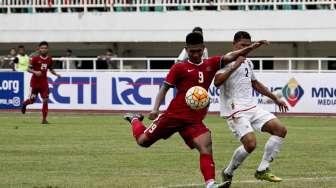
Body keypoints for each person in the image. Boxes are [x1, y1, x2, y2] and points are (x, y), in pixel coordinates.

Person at [123, 32, 268, 188]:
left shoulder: (211, 63)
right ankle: (134, 119)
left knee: (205, 145)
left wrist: (252, 47)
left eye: (199, 50)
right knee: (143, 141)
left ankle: (210, 183)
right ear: (186, 50)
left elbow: (232, 56)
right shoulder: (179, 67)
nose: (196, 54)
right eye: (192, 51)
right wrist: (155, 109)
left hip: (193, 120)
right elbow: (164, 88)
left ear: (203, 48)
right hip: (173, 116)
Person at [214, 31, 288, 187]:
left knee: (280, 129)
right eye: (243, 46)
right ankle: (228, 171)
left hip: (251, 106)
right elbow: (217, 82)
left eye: (248, 46)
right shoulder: (225, 60)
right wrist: (235, 65)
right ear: (234, 44)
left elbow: (255, 83)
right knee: (251, 144)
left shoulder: (248, 62)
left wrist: (275, 98)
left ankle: (263, 169)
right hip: (234, 109)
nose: (246, 49)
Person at [21, 41, 61, 124]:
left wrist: (56, 74)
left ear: (47, 49)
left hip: (44, 83)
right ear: (39, 49)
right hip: (35, 83)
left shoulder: (49, 59)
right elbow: (28, 69)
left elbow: (50, 68)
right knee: (32, 100)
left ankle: (44, 119)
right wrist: (35, 72)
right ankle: (25, 104)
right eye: (42, 48)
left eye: (45, 48)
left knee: (45, 100)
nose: (43, 49)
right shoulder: (35, 58)